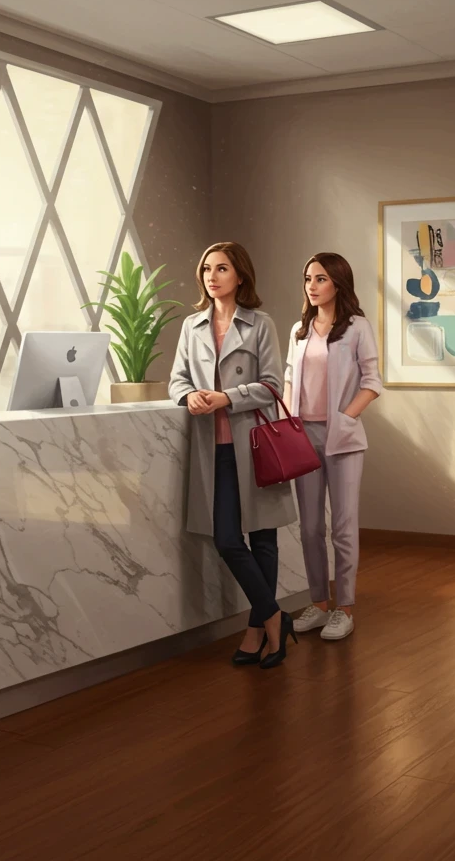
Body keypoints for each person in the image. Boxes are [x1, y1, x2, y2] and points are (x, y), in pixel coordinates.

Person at [169, 241, 299, 669]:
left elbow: (273, 385)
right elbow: (176, 381)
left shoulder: (260, 324)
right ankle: (275, 616)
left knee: (263, 537)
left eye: (221, 268)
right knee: (226, 539)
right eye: (206, 268)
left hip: (254, 442)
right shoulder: (191, 326)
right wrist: (189, 395)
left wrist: (227, 397)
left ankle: (257, 628)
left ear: (239, 276)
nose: (212, 275)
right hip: (213, 449)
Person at [284, 252, 382, 641]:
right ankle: (318, 604)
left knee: (342, 527)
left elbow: (373, 381)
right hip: (301, 435)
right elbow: (290, 376)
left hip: (342, 438)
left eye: (320, 278)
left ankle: (345, 608)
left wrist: (346, 418)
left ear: (338, 283)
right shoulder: (299, 331)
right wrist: (287, 419)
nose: (311, 285)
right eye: (308, 278)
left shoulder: (357, 327)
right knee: (309, 528)